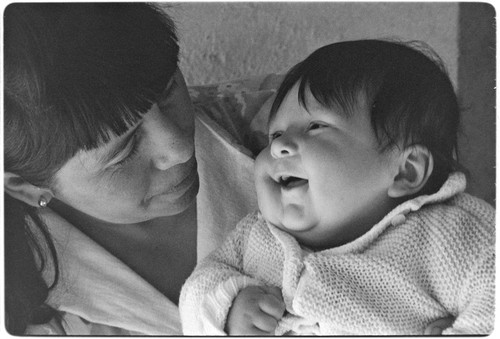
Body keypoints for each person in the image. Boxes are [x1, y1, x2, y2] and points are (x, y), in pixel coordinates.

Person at [179, 39, 495, 335]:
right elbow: (198, 288)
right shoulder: (253, 238)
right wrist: (228, 309)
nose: (280, 147)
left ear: (405, 172)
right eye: (274, 135)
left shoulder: (449, 239)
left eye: (316, 127)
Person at [4, 3, 268, 334]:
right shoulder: (21, 311)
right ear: (24, 186)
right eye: (125, 150)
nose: (180, 148)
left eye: (169, 89)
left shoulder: (292, 124)